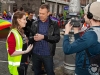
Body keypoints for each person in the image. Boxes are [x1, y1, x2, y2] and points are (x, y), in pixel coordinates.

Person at [63, 2, 100, 75]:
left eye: (85, 14)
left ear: (90, 15)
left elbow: (67, 50)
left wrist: (66, 32)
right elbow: (81, 46)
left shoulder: (91, 35)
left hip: (85, 71)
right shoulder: (95, 31)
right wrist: (76, 31)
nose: (84, 16)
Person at [30, 4, 60, 75]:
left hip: (47, 54)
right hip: (35, 53)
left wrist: (44, 37)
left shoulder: (54, 24)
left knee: (50, 72)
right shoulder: (34, 23)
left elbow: (57, 38)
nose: (40, 15)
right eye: (39, 13)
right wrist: (33, 38)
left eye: (43, 14)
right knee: (37, 73)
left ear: (48, 13)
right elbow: (30, 37)